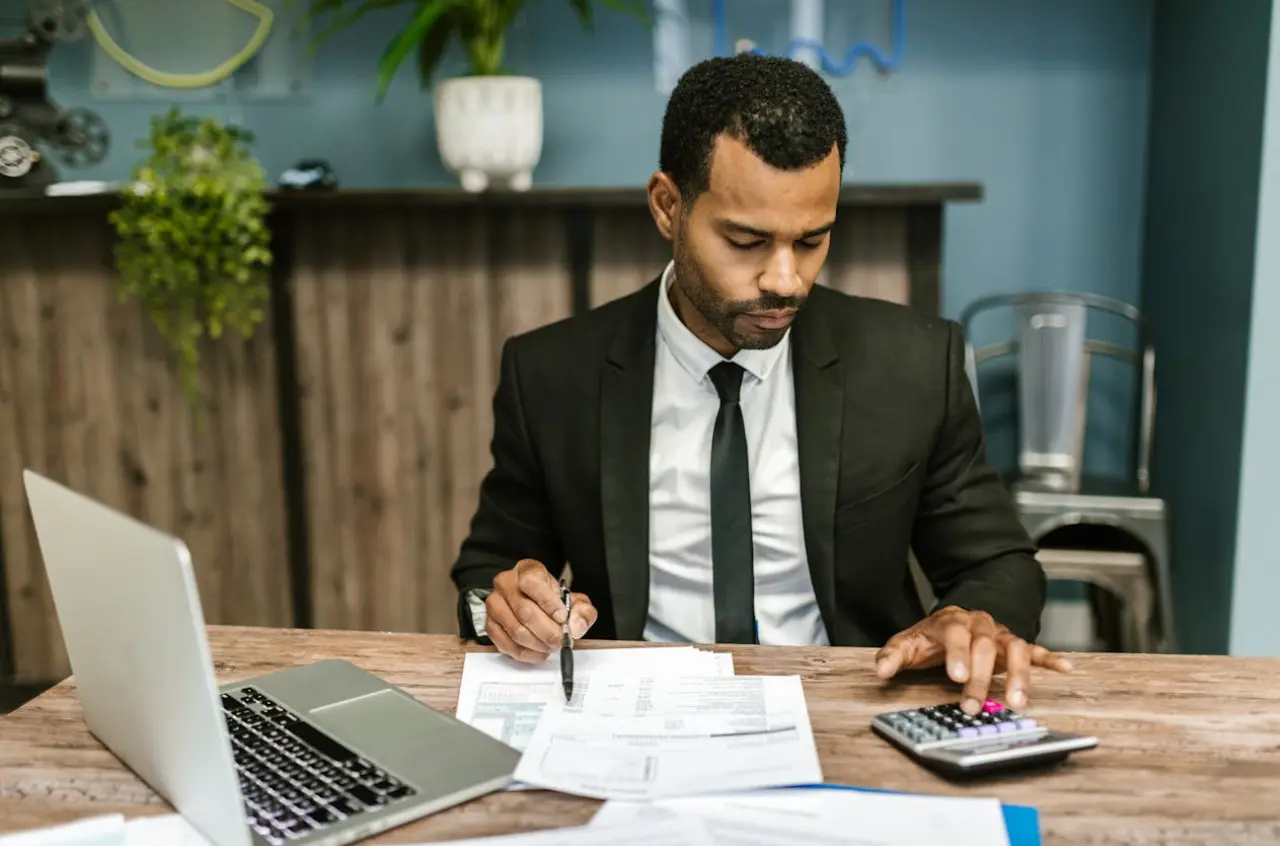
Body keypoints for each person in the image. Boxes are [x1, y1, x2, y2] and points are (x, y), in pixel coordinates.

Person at [450, 53, 1070, 715]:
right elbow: (489, 572)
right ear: (667, 206)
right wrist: (506, 607)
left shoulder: (915, 365)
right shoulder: (552, 374)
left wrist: (970, 616)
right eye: (746, 240)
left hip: (852, 710)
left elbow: (1000, 565)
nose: (784, 279)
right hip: (633, 715)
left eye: (811, 240)